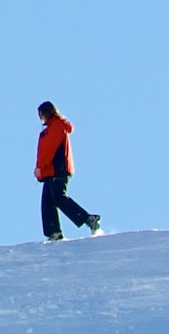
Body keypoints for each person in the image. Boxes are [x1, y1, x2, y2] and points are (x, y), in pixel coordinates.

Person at [34, 101, 101, 241]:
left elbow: (50, 149)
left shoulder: (56, 126)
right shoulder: (48, 130)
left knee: (58, 198)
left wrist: (40, 166)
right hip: (50, 171)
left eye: (42, 114)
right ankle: (54, 232)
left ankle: (89, 219)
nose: (41, 118)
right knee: (47, 202)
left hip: (58, 169)